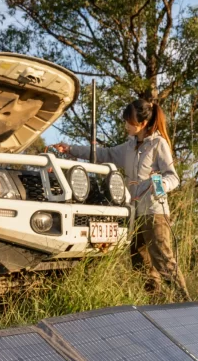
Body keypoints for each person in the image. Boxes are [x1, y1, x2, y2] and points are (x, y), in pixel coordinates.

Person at [54, 98, 190, 300]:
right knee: (140, 264)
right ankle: (157, 304)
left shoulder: (158, 144)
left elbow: (173, 177)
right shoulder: (129, 146)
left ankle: (185, 303)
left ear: (142, 124)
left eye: (129, 121)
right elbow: (104, 154)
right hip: (134, 214)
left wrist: (158, 186)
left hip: (155, 213)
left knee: (163, 261)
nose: (126, 125)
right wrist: (71, 149)